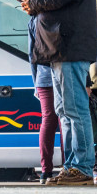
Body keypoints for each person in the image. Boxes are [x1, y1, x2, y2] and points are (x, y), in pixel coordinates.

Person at [22, 0, 97, 185]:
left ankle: (83, 167)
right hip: (60, 50)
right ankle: (72, 166)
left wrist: (36, 3)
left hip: (70, 47)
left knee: (75, 110)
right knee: (64, 110)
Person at [28, 15, 63, 184]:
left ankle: (45, 171)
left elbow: (31, 54)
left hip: (43, 77)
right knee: (66, 120)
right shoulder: (63, 14)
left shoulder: (34, 21)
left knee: (48, 120)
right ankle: (68, 167)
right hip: (62, 73)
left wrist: (36, 83)